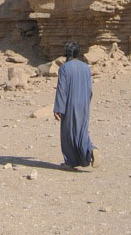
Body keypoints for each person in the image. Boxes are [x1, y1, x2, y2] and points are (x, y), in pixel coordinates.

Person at [53, 41, 99, 169]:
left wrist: (58, 108)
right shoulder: (86, 67)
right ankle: (90, 150)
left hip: (70, 104)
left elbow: (62, 90)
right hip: (83, 103)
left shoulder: (64, 68)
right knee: (82, 130)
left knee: (68, 132)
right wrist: (86, 102)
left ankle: (71, 161)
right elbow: (90, 89)